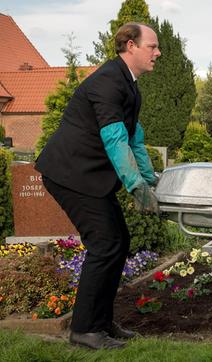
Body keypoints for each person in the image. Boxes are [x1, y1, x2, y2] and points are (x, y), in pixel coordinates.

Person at [36, 22, 161, 350]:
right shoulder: (108, 81)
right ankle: (84, 331)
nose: (158, 53)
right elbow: (114, 138)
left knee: (119, 241)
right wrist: (135, 186)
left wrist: (150, 181)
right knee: (105, 243)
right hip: (70, 174)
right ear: (130, 46)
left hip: (89, 176)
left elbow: (135, 139)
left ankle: (100, 323)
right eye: (152, 46)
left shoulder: (130, 85)